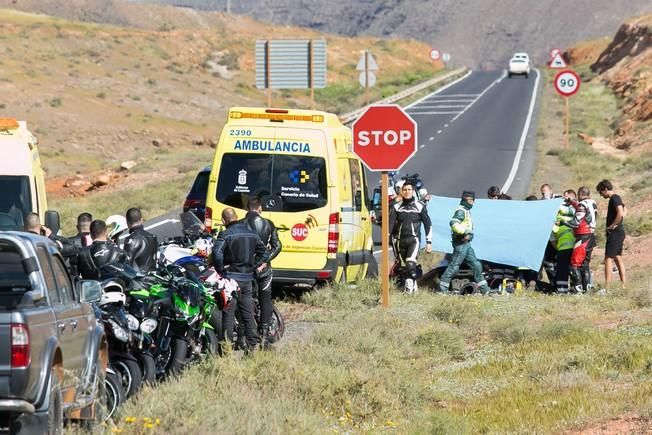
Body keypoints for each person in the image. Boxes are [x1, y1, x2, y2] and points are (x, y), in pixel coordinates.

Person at [213, 208, 270, 351]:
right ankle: (253, 345)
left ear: (223, 221)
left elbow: (216, 253)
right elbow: (264, 253)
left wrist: (221, 270)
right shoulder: (251, 233)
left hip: (231, 279)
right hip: (247, 278)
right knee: (247, 312)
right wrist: (253, 265)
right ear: (237, 217)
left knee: (228, 313)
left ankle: (226, 347)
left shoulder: (225, 234)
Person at [242, 198, 282, 349]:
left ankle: (247, 335)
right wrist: (265, 260)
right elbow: (277, 246)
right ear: (259, 208)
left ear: (247, 208)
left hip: (245, 268)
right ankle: (265, 334)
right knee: (265, 299)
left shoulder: (240, 224)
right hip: (263, 268)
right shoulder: (268, 224)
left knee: (245, 300)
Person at [439, 191, 491, 295]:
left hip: (467, 244)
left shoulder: (466, 210)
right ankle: (442, 289)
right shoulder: (461, 210)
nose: (472, 202)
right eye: (471, 200)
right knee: (454, 266)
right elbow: (453, 223)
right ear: (465, 200)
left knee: (476, 265)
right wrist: (464, 232)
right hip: (461, 242)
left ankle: (485, 289)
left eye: (473, 200)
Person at [388, 182, 432, 294]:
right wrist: (388, 238)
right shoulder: (396, 207)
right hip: (400, 241)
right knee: (405, 267)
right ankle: (414, 287)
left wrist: (429, 242)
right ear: (401, 191)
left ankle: (408, 290)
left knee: (410, 264)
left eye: (409, 190)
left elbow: (428, 224)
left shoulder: (420, 206)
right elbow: (390, 225)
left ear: (413, 191)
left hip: (414, 240)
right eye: (405, 190)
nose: (407, 192)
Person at [596, 179, 626, 289]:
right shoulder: (616, 198)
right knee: (618, 258)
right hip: (619, 232)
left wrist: (612, 225)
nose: (601, 195)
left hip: (615, 233)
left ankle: (607, 288)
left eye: (601, 192)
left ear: (605, 189)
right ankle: (623, 285)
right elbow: (624, 210)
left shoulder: (614, 198)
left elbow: (621, 212)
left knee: (608, 258)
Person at [567, 186, 598, 293]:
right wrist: (571, 201)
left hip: (582, 237)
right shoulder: (592, 202)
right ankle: (587, 288)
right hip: (591, 236)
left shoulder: (582, 205)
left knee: (574, 264)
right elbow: (580, 206)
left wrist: (561, 222)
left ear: (580, 194)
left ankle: (577, 289)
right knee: (585, 264)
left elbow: (575, 222)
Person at [123, 208, 158, 273]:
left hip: (139, 280)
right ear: (141, 220)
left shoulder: (131, 240)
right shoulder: (152, 236)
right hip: (155, 278)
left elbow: (126, 264)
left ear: (127, 222)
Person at [551, 203, 575, 293]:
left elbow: (553, 241)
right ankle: (576, 289)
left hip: (563, 250)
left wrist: (559, 248)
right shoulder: (572, 219)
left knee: (562, 271)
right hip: (575, 248)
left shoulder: (554, 225)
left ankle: (562, 290)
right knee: (574, 270)